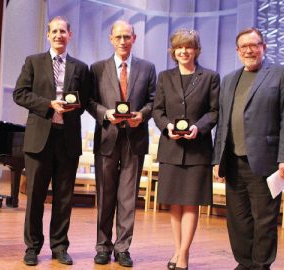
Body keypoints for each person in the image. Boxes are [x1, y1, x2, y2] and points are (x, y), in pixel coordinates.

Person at [212, 27, 284, 270]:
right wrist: (218, 158)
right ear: (238, 51)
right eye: (244, 47)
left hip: (266, 161)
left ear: (263, 47)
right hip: (234, 161)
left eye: (254, 45)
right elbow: (223, 122)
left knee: (265, 219)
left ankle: (261, 264)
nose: (249, 50)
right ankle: (245, 262)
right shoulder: (229, 80)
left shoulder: (280, 74)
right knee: (238, 219)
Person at [13, 16, 90, 266]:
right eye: (54, 31)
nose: (59, 35)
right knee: (35, 196)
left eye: (63, 31)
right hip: (39, 139)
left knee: (64, 198)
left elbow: (86, 101)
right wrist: (48, 105)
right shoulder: (33, 62)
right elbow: (20, 94)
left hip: (67, 140)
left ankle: (59, 247)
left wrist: (72, 107)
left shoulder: (80, 68)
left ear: (70, 35)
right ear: (48, 35)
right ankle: (32, 247)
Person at [87, 20, 156, 267]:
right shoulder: (96, 68)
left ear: (134, 39)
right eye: (118, 37)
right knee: (105, 196)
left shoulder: (148, 68)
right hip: (107, 138)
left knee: (128, 198)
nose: (123, 41)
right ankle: (103, 247)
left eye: (127, 36)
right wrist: (106, 114)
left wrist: (142, 115)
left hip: (134, 141)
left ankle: (123, 248)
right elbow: (90, 101)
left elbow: (153, 101)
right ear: (111, 39)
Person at [152, 29, 219, 270]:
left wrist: (198, 128)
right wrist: (167, 126)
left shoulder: (210, 77)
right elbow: (157, 110)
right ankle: (177, 249)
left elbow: (214, 111)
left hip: (197, 149)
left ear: (196, 50)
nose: (183, 51)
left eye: (188, 47)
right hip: (171, 147)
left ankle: (183, 254)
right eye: (179, 47)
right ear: (173, 51)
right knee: (174, 203)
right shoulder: (164, 76)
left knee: (191, 202)